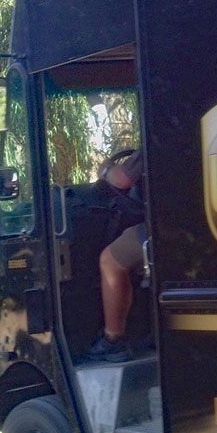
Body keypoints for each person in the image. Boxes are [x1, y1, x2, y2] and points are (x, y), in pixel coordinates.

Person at [83, 150, 146, 362]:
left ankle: (113, 340)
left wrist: (105, 170)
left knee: (110, 260)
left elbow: (121, 179)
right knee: (129, 236)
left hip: (168, 225)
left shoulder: (156, 140)